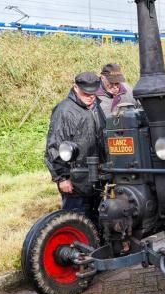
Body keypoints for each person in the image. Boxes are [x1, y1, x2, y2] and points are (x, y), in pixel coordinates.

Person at [45, 72, 106, 216]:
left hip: (98, 177)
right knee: (77, 221)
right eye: (86, 93)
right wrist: (62, 178)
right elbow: (54, 147)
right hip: (75, 182)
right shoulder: (64, 111)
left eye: (94, 93)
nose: (91, 97)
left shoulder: (96, 107)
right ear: (75, 88)